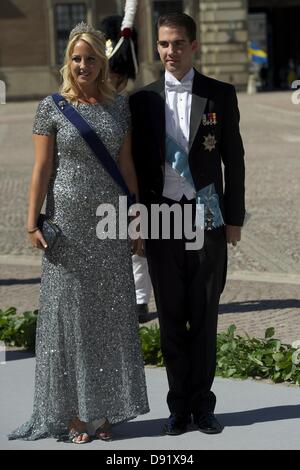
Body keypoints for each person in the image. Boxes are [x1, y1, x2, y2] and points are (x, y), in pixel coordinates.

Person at [8, 22, 149, 444]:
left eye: (90, 58)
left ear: (101, 62)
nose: (83, 65)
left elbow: (127, 169)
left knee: (108, 318)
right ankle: (72, 416)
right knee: (68, 319)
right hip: (66, 227)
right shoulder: (51, 107)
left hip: (109, 223)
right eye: (76, 58)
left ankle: (103, 413)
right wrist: (33, 221)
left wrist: (136, 221)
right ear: (67, 62)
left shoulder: (118, 107)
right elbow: (41, 169)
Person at [129, 13, 245, 436]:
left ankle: (204, 405)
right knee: (172, 317)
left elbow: (235, 159)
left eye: (178, 43)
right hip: (162, 218)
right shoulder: (141, 101)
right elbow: (136, 168)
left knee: (205, 313)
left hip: (208, 214)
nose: (170, 52)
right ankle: (178, 407)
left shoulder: (219, 95)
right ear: (156, 47)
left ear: (194, 46)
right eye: (163, 44)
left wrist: (234, 219)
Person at [100, 14, 153, 324]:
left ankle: (140, 298)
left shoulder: (132, 103)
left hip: (130, 176)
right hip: (99, 179)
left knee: (136, 241)